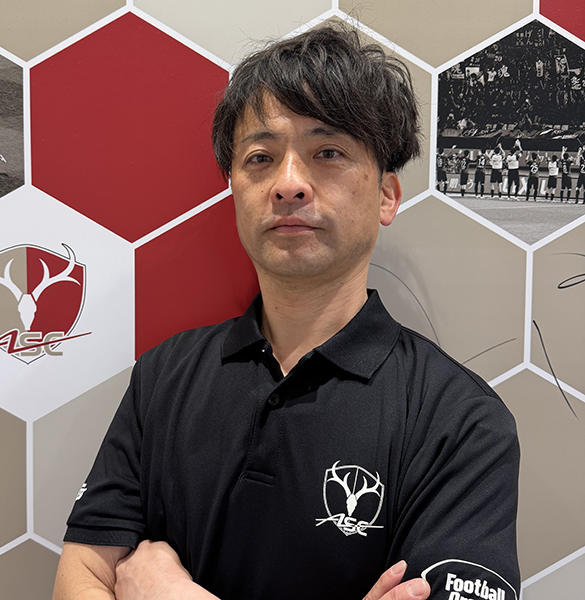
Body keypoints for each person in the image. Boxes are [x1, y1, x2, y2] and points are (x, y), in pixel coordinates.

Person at [53, 23, 520, 600]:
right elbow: (83, 576)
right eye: (260, 157)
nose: (289, 184)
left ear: (386, 195)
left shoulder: (461, 420)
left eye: (328, 152)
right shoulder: (164, 375)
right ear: (234, 188)